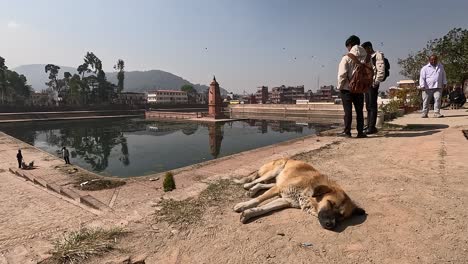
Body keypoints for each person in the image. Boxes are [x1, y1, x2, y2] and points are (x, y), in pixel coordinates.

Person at [337, 35, 370, 138]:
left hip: (347, 89)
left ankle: (347, 132)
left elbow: (342, 74)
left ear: (350, 45)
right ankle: (360, 132)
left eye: (347, 46)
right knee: (359, 111)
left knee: (348, 112)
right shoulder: (367, 57)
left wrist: (340, 87)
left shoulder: (347, 58)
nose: (347, 48)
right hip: (360, 88)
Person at [361, 41, 386, 134]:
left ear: (369, 48)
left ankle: (372, 127)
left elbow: (380, 70)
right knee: (368, 105)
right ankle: (369, 125)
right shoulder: (367, 57)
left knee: (372, 105)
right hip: (367, 83)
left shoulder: (377, 55)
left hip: (373, 83)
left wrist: (376, 82)